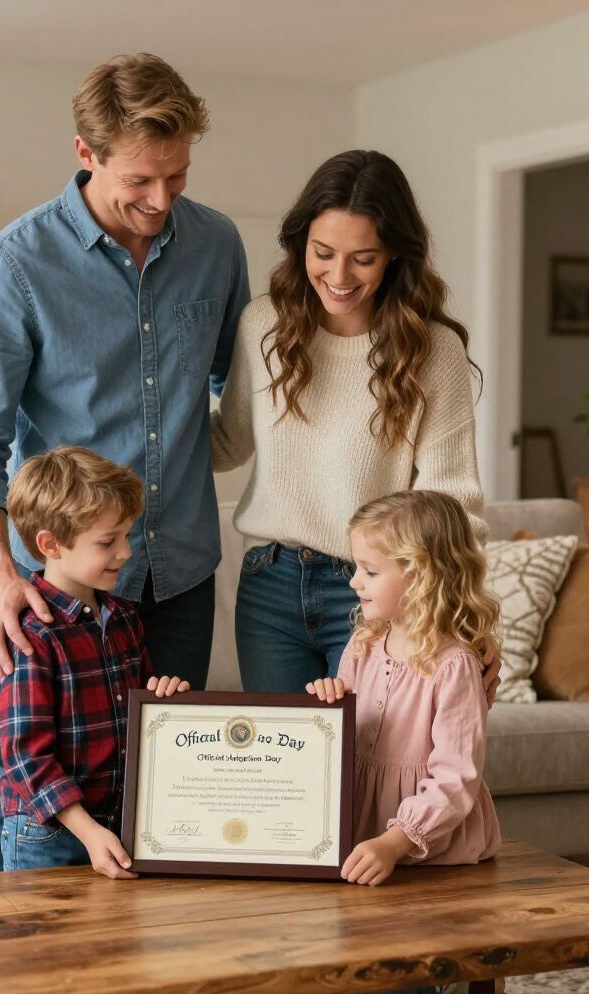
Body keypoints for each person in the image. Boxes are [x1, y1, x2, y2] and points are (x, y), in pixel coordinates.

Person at [0, 53, 250, 871]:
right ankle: (3, 984)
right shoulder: (12, 266)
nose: (161, 202)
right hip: (56, 592)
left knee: (167, 799)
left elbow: (242, 381)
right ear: (86, 152)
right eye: (140, 181)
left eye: (177, 178)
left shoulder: (216, 244)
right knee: (35, 795)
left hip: (178, 573)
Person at [211, 149, 499, 697]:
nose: (338, 276)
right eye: (323, 253)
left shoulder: (432, 351)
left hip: (382, 590)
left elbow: (454, 501)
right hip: (269, 585)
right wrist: (137, 418)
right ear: (301, 245)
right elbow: (228, 442)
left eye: (363, 259)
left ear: (394, 255)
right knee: (284, 776)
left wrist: (471, 618)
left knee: (374, 773)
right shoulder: (265, 323)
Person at [307, 489, 502, 994]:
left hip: (429, 847)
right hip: (370, 841)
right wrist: (327, 706)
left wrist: (397, 842)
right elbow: (342, 737)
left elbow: (456, 777)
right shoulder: (362, 645)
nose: (353, 582)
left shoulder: (454, 664)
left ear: (418, 576)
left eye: (369, 571)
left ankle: (453, 977)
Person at [0, 445, 191, 875]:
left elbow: (142, 721)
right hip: (47, 834)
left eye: (126, 535)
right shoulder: (31, 634)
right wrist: (87, 831)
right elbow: (26, 756)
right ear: (51, 545)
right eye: (108, 541)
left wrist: (164, 700)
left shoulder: (124, 618)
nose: (125, 553)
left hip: (113, 827)